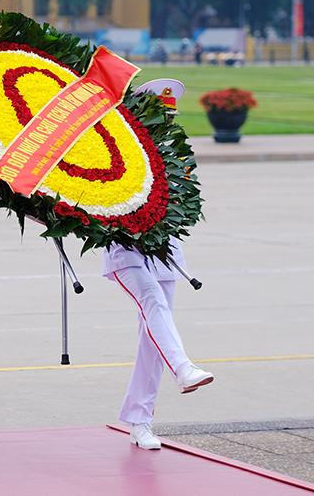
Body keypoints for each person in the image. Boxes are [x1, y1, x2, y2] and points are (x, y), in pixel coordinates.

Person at [105, 79, 214, 451]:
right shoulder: (119, 152)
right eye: (160, 115)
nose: (167, 122)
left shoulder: (176, 157)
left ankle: (140, 419)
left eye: (170, 115)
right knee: (153, 302)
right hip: (126, 251)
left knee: (153, 337)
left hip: (167, 255)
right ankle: (183, 368)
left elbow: (185, 205)